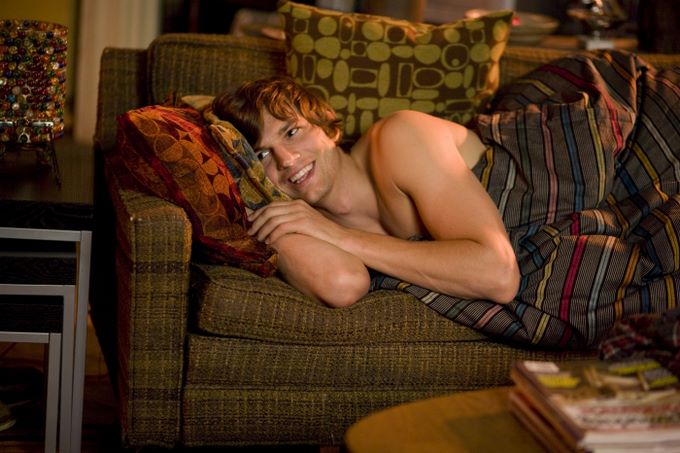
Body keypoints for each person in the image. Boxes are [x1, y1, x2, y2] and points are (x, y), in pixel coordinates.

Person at [213, 76, 520, 308]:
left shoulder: (400, 136)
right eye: (262, 155)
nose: (287, 160)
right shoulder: (303, 222)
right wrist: (256, 213)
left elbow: (498, 274)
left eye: (292, 132)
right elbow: (342, 283)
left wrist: (339, 237)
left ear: (328, 127)